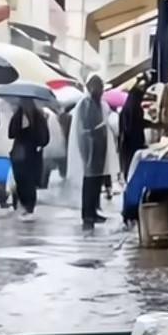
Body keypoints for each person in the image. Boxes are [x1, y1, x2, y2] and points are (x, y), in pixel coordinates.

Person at [71, 75, 113, 232]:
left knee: (96, 181)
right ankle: (87, 212)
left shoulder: (97, 104)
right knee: (89, 182)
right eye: (98, 87)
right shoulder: (85, 104)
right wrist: (96, 129)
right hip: (90, 147)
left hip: (99, 146)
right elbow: (84, 127)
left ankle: (94, 210)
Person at [8, 97, 50, 219]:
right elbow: (11, 133)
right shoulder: (18, 116)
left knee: (29, 181)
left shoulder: (38, 116)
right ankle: (24, 204)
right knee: (20, 179)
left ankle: (29, 206)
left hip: (31, 153)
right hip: (20, 153)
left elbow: (44, 137)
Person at [118, 82, 148, 179]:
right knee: (133, 165)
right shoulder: (134, 107)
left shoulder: (128, 106)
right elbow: (135, 124)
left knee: (129, 165)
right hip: (133, 142)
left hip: (127, 143)